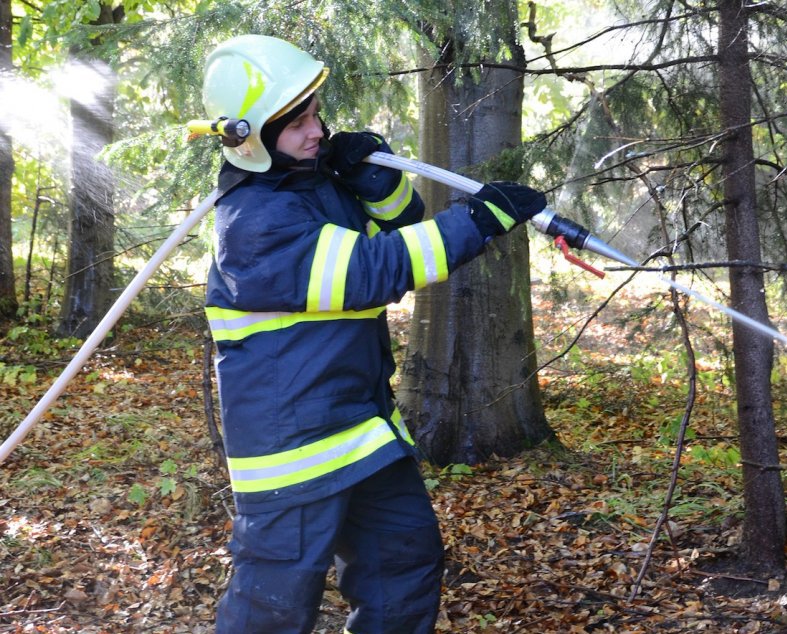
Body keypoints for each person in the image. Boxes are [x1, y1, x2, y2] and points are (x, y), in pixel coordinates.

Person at [199, 34, 546, 634]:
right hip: (296, 452)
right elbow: (376, 270)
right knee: (274, 609)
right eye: (297, 123)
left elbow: (401, 227)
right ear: (248, 138)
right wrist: (479, 220)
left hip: (360, 432)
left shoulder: (312, 183)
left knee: (405, 565)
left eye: (315, 113)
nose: (317, 131)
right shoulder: (253, 224)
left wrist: (372, 182)